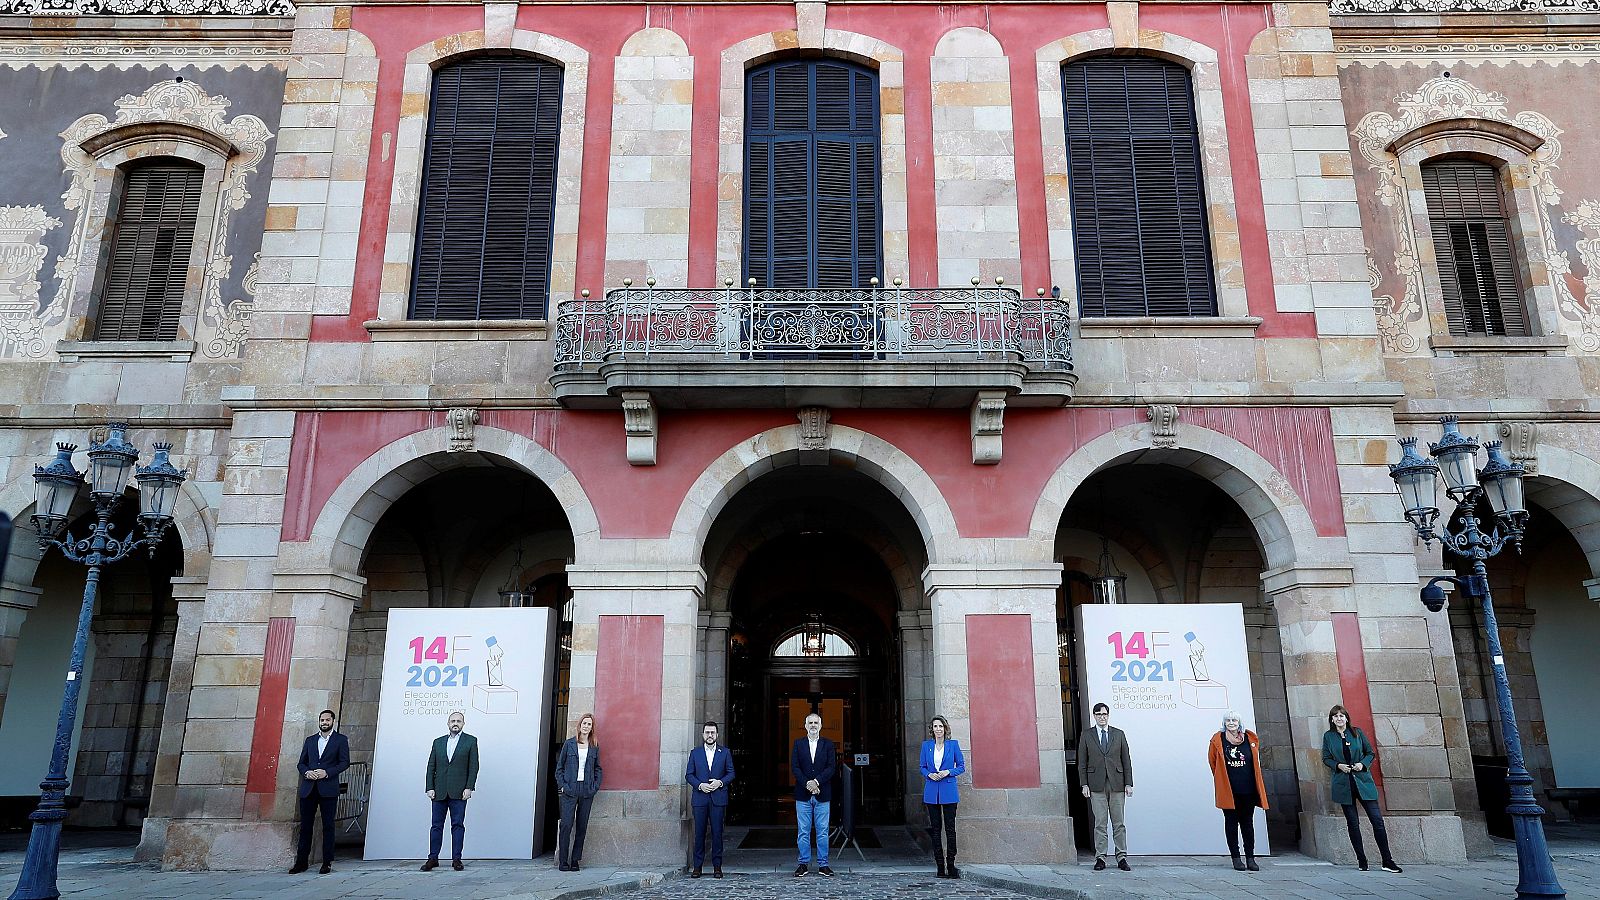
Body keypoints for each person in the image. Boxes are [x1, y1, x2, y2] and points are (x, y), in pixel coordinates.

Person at [1323, 704, 1402, 873]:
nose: (1339, 719)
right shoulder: (1328, 737)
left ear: (1346, 718)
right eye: (1335, 716)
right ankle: (1362, 860)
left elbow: (1370, 753)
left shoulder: (1357, 733)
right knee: (1353, 824)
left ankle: (1387, 860)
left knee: (1377, 821)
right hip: (1344, 785)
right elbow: (1326, 758)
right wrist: (1338, 766)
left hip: (1363, 782)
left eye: (1341, 716)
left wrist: (1362, 764)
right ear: (1331, 720)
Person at [1207, 711, 1269, 871]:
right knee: (1231, 824)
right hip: (1229, 790)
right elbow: (1213, 762)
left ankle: (1250, 858)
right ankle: (1236, 858)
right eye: (1228, 720)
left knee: (1248, 824)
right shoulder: (1217, 740)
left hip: (1248, 789)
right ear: (1224, 723)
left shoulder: (1250, 738)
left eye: (1234, 720)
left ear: (1239, 722)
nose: (1231, 723)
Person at [290, 709, 349, 874]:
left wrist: (327, 772)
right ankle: (301, 862)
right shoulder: (310, 740)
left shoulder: (341, 740)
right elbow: (301, 763)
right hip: (309, 789)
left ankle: (327, 862)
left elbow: (344, 762)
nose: (324, 722)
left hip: (328, 789)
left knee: (328, 826)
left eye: (327, 720)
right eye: (322, 720)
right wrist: (306, 772)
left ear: (333, 721)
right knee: (306, 827)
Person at [1078, 702, 1132, 871]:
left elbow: (1126, 760)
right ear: (1094, 716)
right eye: (1099, 714)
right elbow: (1082, 762)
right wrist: (1084, 784)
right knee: (1100, 823)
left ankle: (1121, 857)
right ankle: (1100, 858)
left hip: (1117, 783)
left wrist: (1129, 783)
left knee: (1119, 823)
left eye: (1105, 714)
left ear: (1108, 715)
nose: (1102, 717)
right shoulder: (1087, 735)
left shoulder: (1119, 734)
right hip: (1096, 785)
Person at [423, 711, 479, 872]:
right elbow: (431, 766)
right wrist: (429, 787)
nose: (456, 723)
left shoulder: (471, 741)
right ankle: (433, 858)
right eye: (453, 721)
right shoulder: (438, 742)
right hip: (439, 791)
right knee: (436, 826)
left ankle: (457, 859)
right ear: (448, 723)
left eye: (459, 721)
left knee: (457, 825)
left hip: (459, 791)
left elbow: (473, 767)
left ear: (463, 724)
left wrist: (469, 787)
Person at [685, 720, 735, 878]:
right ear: (703, 734)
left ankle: (717, 867)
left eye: (713, 732)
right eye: (707, 732)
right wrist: (700, 785)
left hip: (718, 798)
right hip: (700, 798)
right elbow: (689, 775)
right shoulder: (695, 753)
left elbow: (731, 773)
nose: (710, 735)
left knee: (717, 833)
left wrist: (720, 782)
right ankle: (697, 867)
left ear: (717, 735)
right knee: (699, 833)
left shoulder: (725, 752)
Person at [919, 715, 966, 879]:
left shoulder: (953, 745)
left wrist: (948, 772)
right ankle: (940, 866)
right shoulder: (926, 746)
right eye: (935, 726)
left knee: (950, 830)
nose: (938, 729)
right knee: (936, 830)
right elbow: (922, 767)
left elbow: (961, 767)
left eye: (940, 726)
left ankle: (951, 865)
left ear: (945, 728)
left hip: (949, 791)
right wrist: (929, 775)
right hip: (932, 791)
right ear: (932, 729)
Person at [790, 712, 837, 877]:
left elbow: (831, 767)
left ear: (821, 725)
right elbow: (795, 767)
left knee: (823, 831)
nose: (813, 726)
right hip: (802, 795)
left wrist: (816, 781)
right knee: (803, 831)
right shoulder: (798, 744)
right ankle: (803, 864)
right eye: (810, 723)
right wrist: (807, 784)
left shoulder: (828, 745)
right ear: (805, 725)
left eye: (816, 723)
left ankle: (823, 864)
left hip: (822, 794)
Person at [554, 712, 602, 872]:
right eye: (584, 723)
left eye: (589, 724)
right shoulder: (569, 744)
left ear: (592, 727)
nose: (586, 726)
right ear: (579, 725)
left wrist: (594, 787)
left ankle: (575, 860)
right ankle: (563, 861)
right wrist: (563, 786)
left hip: (586, 790)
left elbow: (598, 768)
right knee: (566, 825)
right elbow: (559, 768)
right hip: (570, 789)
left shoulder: (594, 746)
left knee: (582, 826)